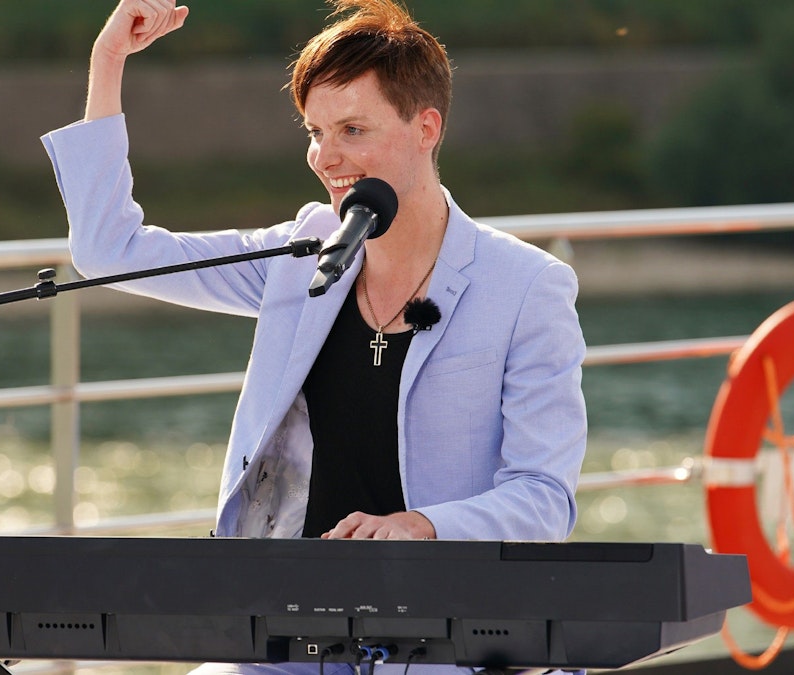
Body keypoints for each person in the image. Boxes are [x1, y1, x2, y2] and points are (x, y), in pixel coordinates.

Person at [42, 0, 586, 670]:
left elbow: (543, 497)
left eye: (352, 130)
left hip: (447, 637)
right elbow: (109, 251)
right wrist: (108, 60)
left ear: (426, 128)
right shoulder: (303, 251)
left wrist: (423, 527)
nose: (327, 157)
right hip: (286, 635)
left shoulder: (528, 286)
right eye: (315, 131)